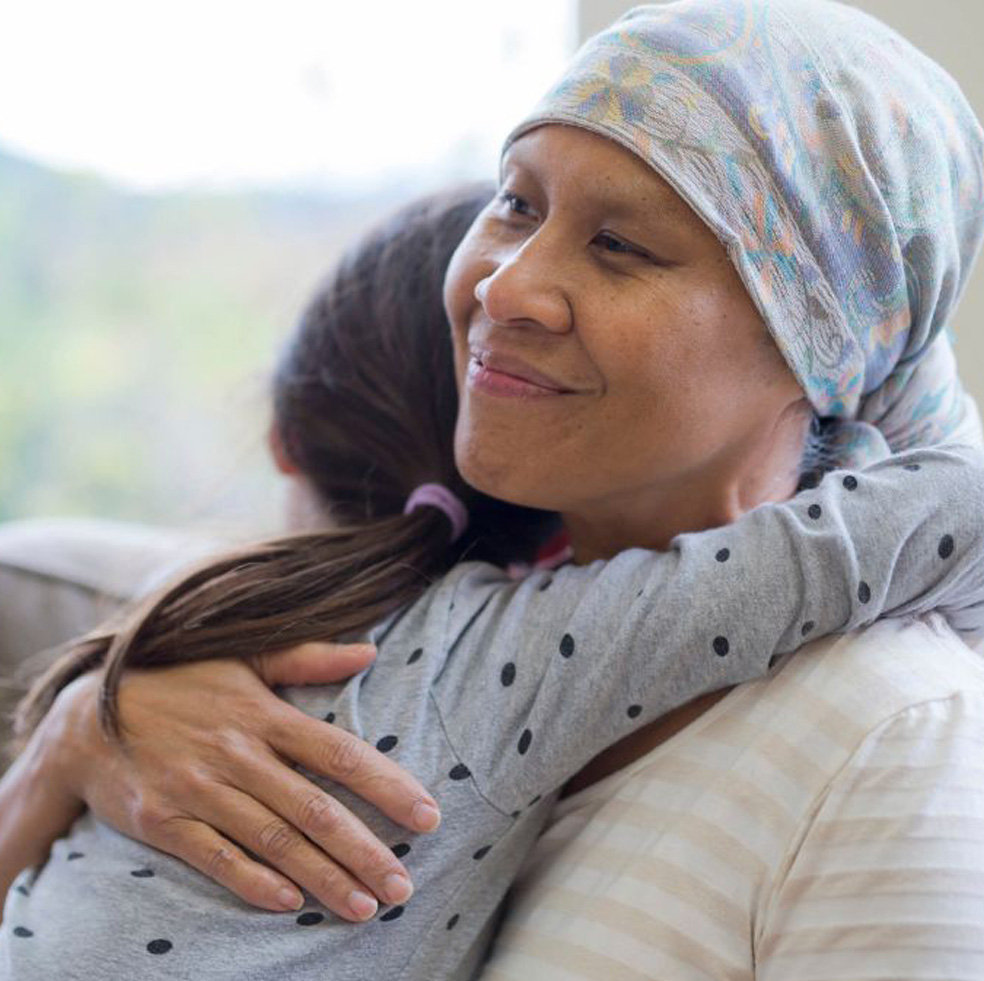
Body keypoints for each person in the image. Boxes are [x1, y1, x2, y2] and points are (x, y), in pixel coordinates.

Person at [6, 0, 984, 977]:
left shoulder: (897, 741)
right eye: (516, 204)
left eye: (620, 246)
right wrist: (85, 721)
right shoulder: (360, 642)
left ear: (811, 341)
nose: (502, 287)